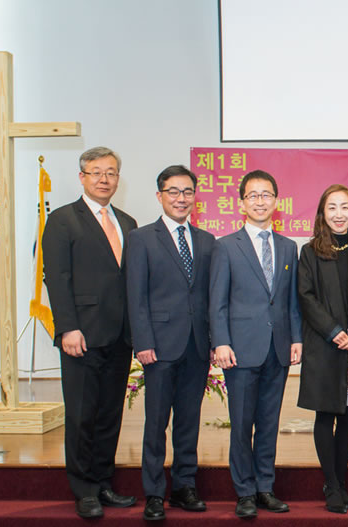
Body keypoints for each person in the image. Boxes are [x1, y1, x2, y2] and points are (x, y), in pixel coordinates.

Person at [42, 146, 137, 518]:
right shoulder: (63, 220)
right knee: (82, 415)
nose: (104, 179)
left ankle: (103, 483)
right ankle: (83, 490)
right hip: (80, 335)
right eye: (96, 172)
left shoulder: (127, 222)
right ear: (82, 177)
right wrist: (67, 327)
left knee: (109, 414)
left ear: (118, 179)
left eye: (111, 172)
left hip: (120, 336)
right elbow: (57, 278)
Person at [210, 170, 303, 519]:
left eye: (266, 195)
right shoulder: (225, 246)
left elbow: (291, 302)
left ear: (276, 201)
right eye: (253, 195)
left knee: (269, 423)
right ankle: (245, 491)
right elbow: (217, 301)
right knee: (241, 424)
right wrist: (221, 342)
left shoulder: (288, 247)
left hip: (278, 348)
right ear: (241, 203)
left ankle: (265, 487)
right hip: (240, 350)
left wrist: (296, 338)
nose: (260, 201)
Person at [126, 165, 216, 521]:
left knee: (189, 421)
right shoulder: (141, 238)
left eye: (187, 192)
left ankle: (183, 486)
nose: (181, 198)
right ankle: (153, 492)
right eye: (173, 192)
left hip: (197, 345)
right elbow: (136, 295)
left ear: (195, 196)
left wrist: (213, 340)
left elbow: (210, 296)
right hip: (159, 345)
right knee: (156, 422)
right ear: (159, 195)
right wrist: (142, 341)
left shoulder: (207, 240)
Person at [297, 184, 348, 514]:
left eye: (345, 207)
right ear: (322, 213)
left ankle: (341, 481)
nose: (339, 214)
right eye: (332, 207)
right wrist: (334, 332)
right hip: (324, 345)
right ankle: (330, 484)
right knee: (325, 413)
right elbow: (306, 297)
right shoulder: (309, 252)